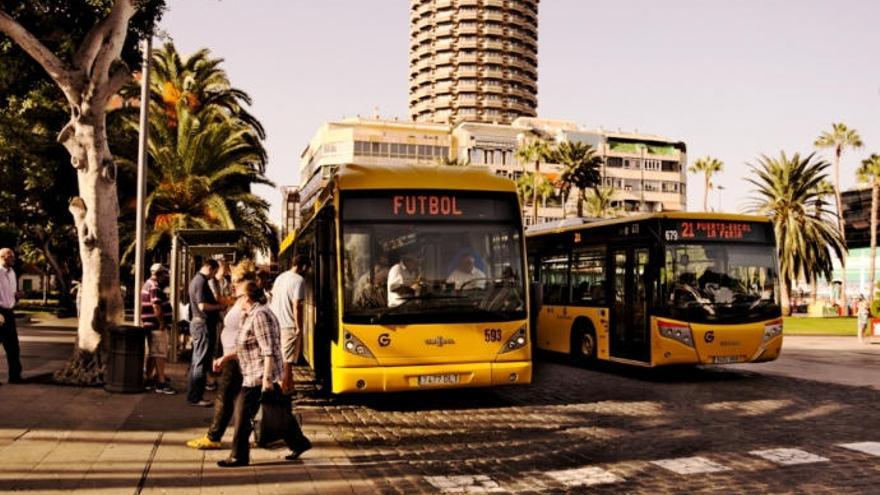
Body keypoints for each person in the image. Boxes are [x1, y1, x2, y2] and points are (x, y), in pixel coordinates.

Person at [216, 281, 311, 468]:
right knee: (278, 412)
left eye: (238, 297)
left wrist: (266, 380)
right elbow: (246, 345)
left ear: (247, 298)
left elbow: (268, 350)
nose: (236, 300)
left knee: (242, 414)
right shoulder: (249, 315)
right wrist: (225, 358)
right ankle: (299, 443)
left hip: (258, 376)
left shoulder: (260, 316)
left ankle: (238, 456)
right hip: (253, 372)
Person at [187, 260, 256, 450]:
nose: (231, 283)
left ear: (242, 279)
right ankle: (292, 437)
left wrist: (228, 356)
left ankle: (214, 436)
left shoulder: (247, 300)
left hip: (236, 357)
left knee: (226, 396)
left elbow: (251, 329)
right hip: (234, 355)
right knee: (241, 399)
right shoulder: (241, 298)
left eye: (233, 279)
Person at [270, 254, 310, 392]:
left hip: (276, 323)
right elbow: (297, 305)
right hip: (288, 325)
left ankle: (290, 388)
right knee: (287, 361)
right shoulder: (299, 280)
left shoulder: (280, 277)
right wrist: (299, 327)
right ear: (303, 266)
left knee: (284, 358)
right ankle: (283, 390)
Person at [187, 259, 223, 406]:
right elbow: (202, 306)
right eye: (214, 272)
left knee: (198, 360)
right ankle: (196, 396)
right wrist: (219, 307)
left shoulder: (197, 280)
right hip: (202, 325)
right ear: (209, 268)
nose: (214, 276)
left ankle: (194, 395)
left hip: (199, 324)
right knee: (200, 361)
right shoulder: (201, 282)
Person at [142, 263, 175, 394]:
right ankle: (161, 382)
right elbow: (156, 306)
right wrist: (161, 322)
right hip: (155, 325)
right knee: (159, 353)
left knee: (153, 353)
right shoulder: (154, 286)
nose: (165, 278)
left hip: (150, 324)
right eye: (164, 275)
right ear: (160, 274)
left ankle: (149, 378)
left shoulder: (148, 284)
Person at [0, 248, 23, 384]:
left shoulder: (12, 273)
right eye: (11, 256)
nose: (14, 258)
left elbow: (9, 293)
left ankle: (15, 377)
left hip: (9, 313)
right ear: (2, 257)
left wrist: (16, 296)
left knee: (13, 347)